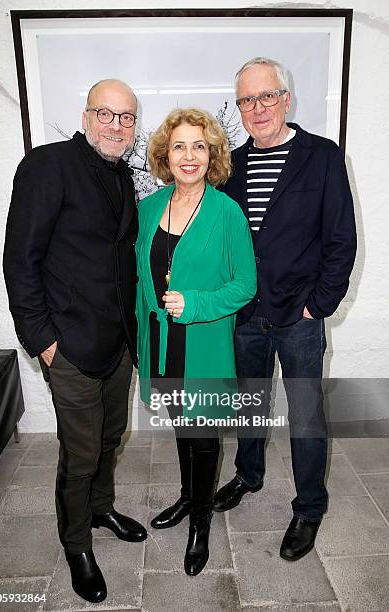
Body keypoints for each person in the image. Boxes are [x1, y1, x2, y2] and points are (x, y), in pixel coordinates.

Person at [3, 79, 147, 603]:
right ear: (85, 117)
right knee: (80, 452)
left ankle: (102, 507)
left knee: (111, 439)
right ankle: (76, 543)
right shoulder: (47, 166)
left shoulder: (125, 176)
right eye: (105, 114)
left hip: (117, 344)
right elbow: (20, 261)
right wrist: (42, 340)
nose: (116, 125)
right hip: (68, 344)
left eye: (126, 117)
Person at [214, 57, 357, 561]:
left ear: (285, 99)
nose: (257, 108)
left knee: (305, 416)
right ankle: (248, 475)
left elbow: (341, 239)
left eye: (266, 96)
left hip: (299, 317)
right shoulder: (229, 165)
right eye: (246, 100)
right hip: (246, 315)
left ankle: (309, 508)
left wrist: (318, 305)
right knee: (248, 405)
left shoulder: (321, 156)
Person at [135, 108, 257, 575]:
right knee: (182, 428)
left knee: (204, 437)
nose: (189, 156)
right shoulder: (149, 207)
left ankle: (200, 525)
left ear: (213, 155)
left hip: (203, 346)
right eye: (180, 146)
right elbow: (138, 279)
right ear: (167, 153)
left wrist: (198, 303)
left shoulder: (227, 213)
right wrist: (141, 341)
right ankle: (189, 497)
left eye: (199, 146)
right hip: (163, 347)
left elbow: (245, 284)